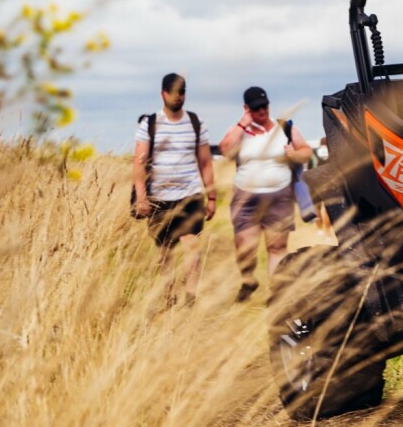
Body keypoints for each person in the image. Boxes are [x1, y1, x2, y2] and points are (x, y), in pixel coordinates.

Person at [220, 86, 314, 301]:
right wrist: (242, 124)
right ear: (246, 109)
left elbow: (306, 151)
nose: (261, 112)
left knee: (277, 247)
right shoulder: (239, 131)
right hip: (247, 197)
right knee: (246, 249)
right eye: (256, 109)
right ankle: (248, 280)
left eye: (264, 106)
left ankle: (276, 294)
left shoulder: (284, 128)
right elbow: (225, 150)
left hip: (279, 196)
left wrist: (294, 154)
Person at [132, 73, 216, 307]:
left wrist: (211, 196)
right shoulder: (149, 125)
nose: (179, 96)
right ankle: (168, 296)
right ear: (163, 94)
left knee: (192, 246)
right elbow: (138, 163)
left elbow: (206, 163)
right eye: (174, 92)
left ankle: (190, 296)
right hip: (159, 198)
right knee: (165, 250)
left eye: (182, 92)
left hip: (190, 195)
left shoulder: (196, 124)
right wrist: (141, 197)